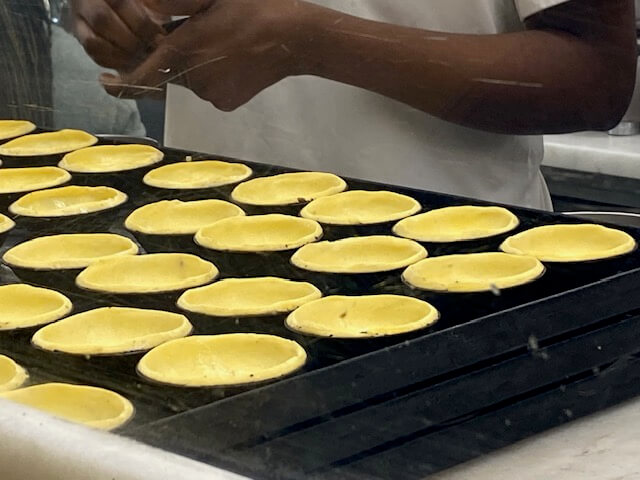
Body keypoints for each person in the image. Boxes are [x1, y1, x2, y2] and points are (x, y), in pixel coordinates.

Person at [70, 0, 636, 209]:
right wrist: (118, 17)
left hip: (453, 262)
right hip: (208, 242)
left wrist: (316, 43)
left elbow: (596, 76)